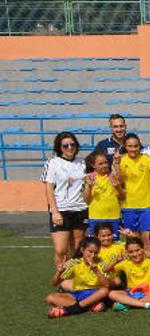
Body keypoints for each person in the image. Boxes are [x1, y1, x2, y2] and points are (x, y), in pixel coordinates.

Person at [42, 132, 89, 266]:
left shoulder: (83, 163)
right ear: (59, 147)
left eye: (72, 144)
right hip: (61, 210)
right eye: (65, 146)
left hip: (80, 208)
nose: (69, 148)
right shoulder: (52, 163)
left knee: (78, 249)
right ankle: (62, 280)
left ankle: (76, 280)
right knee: (61, 249)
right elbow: (49, 189)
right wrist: (55, 212)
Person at [114, 133, 150, 243]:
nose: (133, 149)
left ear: (139, 146)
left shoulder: (146, 159)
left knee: (148, 240)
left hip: (147, 206)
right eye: (130, 146)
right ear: (125, 147)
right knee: (134, 242)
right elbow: (119, 180)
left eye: (136, 146)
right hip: (129, 207)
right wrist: (117, 165)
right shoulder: (121, 160)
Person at [46, 236, 111, 318]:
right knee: (50, 298)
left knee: (104, 291)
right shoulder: (74, 262)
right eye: (90, 251)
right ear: (82, 250)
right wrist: (58, 273)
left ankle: (71, 310)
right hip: (77, 294)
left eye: (96, 252)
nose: (93, 255)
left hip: (94, 294)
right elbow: (53, 284)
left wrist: (96, 271)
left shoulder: (101, 262)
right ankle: (88, 306)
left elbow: (107, 285)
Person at [104, 237, 150, 311]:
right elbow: (106, 270)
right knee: (112, 294)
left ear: (143, 249)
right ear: (127, 252)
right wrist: (116, 260)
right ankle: (146, 305)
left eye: (137, 250)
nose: (135, 254)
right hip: (132, 292)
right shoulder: (126, 263)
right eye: (131, 252)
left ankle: (129, 304)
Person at [83, 151, 122, 238]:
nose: (104, 165)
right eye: (100, 164)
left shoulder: (113, 176)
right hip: (96, 217)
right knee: (95, 246)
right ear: (93, 166)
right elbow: (86, 200)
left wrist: (118, 187)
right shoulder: (90, 177)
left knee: (113, 245)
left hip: (113, 217)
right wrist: (89, 187)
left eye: (106, 163)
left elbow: (122, 196)